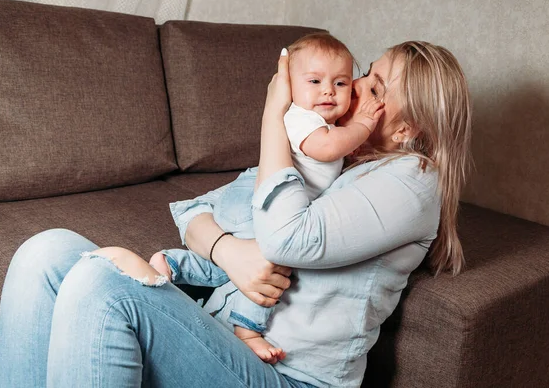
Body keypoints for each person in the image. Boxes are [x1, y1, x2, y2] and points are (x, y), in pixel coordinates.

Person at [0, 40, 472, 388]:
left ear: (407, 127)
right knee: (45, 250)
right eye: (367, 71)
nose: (357, 84)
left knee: (102, 285)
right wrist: (231, 253)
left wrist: (274, 115)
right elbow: (196, 210)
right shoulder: (324, 156)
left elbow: (287, 239)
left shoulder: (414, 180)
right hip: (225, 341)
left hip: (289, 377)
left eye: (377, 87)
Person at [147, 32, 384, 364]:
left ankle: (172, 264)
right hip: (258, 198)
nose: (328, 90)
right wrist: (364, 123)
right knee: (276, 262)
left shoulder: (324, 123)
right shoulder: (302, 119)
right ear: (288, 86)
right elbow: (328, 147)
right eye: (314, 80)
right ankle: (247, 329)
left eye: (341, 83)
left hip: (250, 196)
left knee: (236, 264)